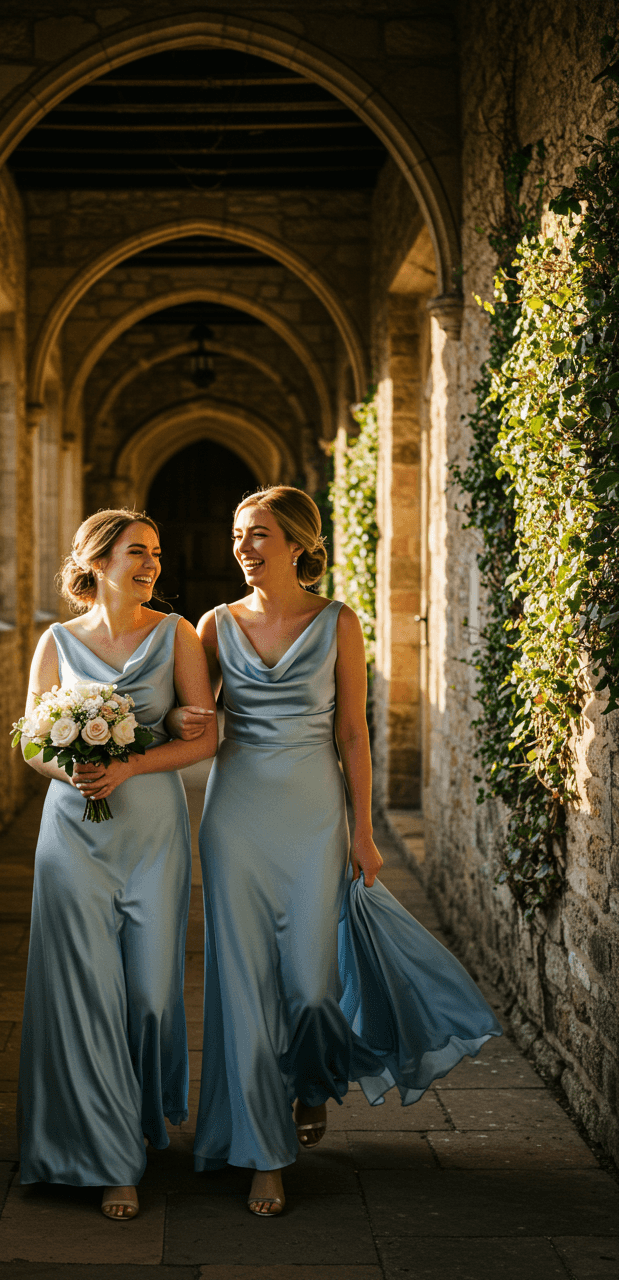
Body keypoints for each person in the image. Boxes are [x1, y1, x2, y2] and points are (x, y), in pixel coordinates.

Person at [169, 486, 501, 1216]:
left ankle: (313, 1082)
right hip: (235, 820)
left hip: (315, 817)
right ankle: (262, 1153)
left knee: (314, 988)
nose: (243, 548)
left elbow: (352, 732)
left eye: (256, 534)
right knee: (245, 988)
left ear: (296, 542)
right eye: (235, 534)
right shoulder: (214, 627)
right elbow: (197, 723)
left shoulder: (339, 623)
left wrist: (364, 831)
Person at [17, 509, 217, 1221]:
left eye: (157, 554)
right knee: (84, 994)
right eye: (138, 552)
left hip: (153, 833)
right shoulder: (56, 642)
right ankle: (106, 1158)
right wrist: (70, 769)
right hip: (73, 835)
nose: (152, 565)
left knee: (150, 995)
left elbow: (202, 737)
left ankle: (136, 1111)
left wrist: (130, 761)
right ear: (98, 561)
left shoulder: (177, 634)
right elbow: (31, 743)